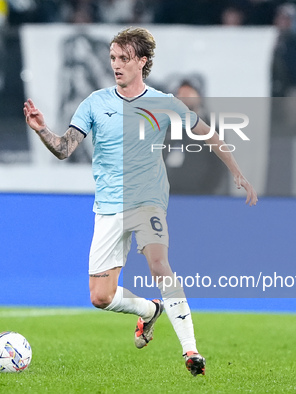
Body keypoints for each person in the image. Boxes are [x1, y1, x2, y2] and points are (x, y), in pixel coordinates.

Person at [23, 27, 258, 377]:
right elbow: (64, 149)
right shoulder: (95, 103)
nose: (116, 65)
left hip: (147, 201)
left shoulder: (162, 103)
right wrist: (42, 129)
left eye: (124, 58)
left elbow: (207, 133)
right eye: (113, 58)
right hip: (107, 207)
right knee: (100, 297)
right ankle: (150, 311)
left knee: (160, 265)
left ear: (142, 62)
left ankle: (190, 351)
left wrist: (237, 171)